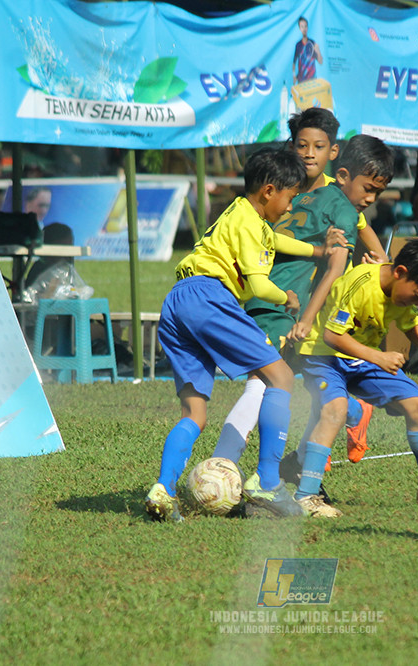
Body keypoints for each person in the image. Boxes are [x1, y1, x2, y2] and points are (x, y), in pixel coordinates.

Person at [145, 147, 339, 522]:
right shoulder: (251, 223)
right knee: (280, 376)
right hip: (209, 296)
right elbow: (257, 283)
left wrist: (317, 249)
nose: (289, 206)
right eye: (289, 196)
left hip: (177, 301)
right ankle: (267, 481)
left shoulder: (239, 212)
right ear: (269, 191)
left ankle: (164, 490)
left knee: (194, 411)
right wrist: (288, 297)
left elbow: (277, 242)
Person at [212, 111, 390, 473]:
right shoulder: (279, 189)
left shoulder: (337, 200)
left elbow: (349, 250)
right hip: (261, 299)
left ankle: (225, 465)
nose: (309, 153)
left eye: (318, 147)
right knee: (301, 383)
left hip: (291, 308)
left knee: (262, 381)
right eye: (302, 145)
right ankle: (351, 414)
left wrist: (378, 266)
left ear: (333, 152)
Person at [291, 239, 418, 517]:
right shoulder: (360, 284)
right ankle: (306, 496)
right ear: (399, 271)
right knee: (335, 409)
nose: (416, 302)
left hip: (361, 358)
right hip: (322, 355)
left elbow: (409, 321)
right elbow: (332, 335)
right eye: (417, 296)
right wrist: (378, 357)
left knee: (417, 403)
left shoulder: (400, 293)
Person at [292, 16, 322, 84]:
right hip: (301, 81)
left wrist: (318, 51)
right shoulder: (298, 45)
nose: (304, 28)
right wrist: (294, 76)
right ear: (300, 28)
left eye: (305, 26)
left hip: (312, 81)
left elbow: (320, 61)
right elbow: (294, 62)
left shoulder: (312, 43)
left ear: (307, 27)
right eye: (302, 26)